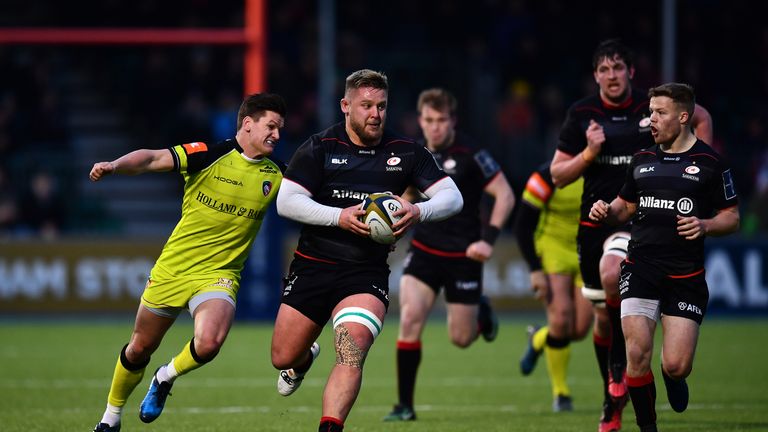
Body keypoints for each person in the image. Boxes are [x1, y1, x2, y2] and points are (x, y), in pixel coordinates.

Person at [270, 70, 462, 432]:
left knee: (351, 348)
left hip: (364, 274)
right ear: (346, 106)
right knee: (282, 355)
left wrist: (420, 210)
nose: (375, 114)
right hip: (312, 266)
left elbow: (453, 197)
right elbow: (287, 202)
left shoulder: (406, 153)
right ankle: (303, 359)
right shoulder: (320, 147)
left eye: (382, 106)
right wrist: (339, 217)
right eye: (366, 106)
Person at [89, 93, 287, 432]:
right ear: (248, 124)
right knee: (139, 348)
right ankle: (111, 417)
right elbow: (152, 159)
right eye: (271, 126)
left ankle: (166, 376)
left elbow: (312, 203)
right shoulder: (208, 155)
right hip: (174, 269)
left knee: (209, 342)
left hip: (219, 275)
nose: (277, 135)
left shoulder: (278, 175)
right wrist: (115, 166)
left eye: (280, 129)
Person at [549, 39, 713, 432]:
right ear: (595, 76)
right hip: (596, 223)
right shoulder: (582, 114)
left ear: (631, 72)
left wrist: (699, 164)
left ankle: (622, 381)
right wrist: (589, 154)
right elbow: (558, 176)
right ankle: (613, 398)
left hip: (637, 222)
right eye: (604, 69)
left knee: (612, 275)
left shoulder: (652, 107)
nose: (611, 76)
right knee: (604, 322)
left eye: (618, 67)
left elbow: (701, 115)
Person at [589, 82, 739, 432]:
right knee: (636, 357)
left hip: (685, 276)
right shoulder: (642, 160)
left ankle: (674, 377)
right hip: (640, 267)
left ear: (684, 117)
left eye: (660, 113)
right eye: (650, 112)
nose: (651, 120)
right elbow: (624, 207)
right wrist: (604, 210)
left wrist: (705, 224)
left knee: (675, 365)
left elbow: (731, 217)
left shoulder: (711, 163)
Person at [382, 88, 516, 422]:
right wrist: (389, 229)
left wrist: (488, 240)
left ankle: (480, 315)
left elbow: (505, 195)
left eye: (441, 120)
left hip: (464, 255)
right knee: (410, 318)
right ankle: (404, 406)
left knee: (461, 339)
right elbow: (408, 196)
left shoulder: (472, 152)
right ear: (420, 120)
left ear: (452, 120)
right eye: (429, 120)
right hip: (425, 250)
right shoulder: (415, 153)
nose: (435, 127)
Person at [514, 162, 592, 412]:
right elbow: (522, 226)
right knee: (561, 320)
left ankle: (538, 338)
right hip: (553, 249)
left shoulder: (602, 172)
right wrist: (535, 269)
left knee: (579, 330)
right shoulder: (547, 176)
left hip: (588, 250)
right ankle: (561, 393)